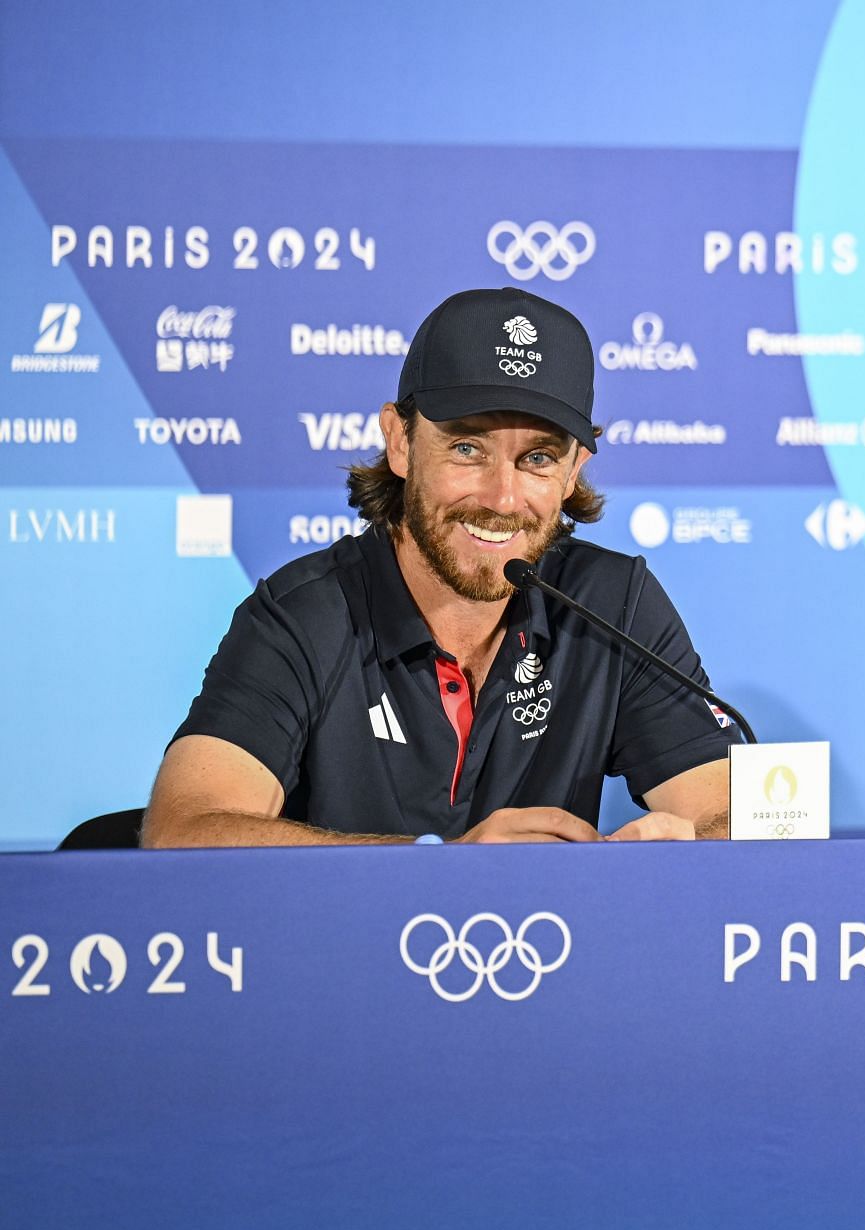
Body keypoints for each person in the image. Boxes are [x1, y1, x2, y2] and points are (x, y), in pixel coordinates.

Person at [143, 287, 734, 846]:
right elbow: (184, 830)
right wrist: (443, 866)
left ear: (573, 471)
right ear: (400, 442)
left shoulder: (612, 604)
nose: (502, 499)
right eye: (467, 449)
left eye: (537, 458)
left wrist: (669, 857)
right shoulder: (305, 614)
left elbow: (727, 814)